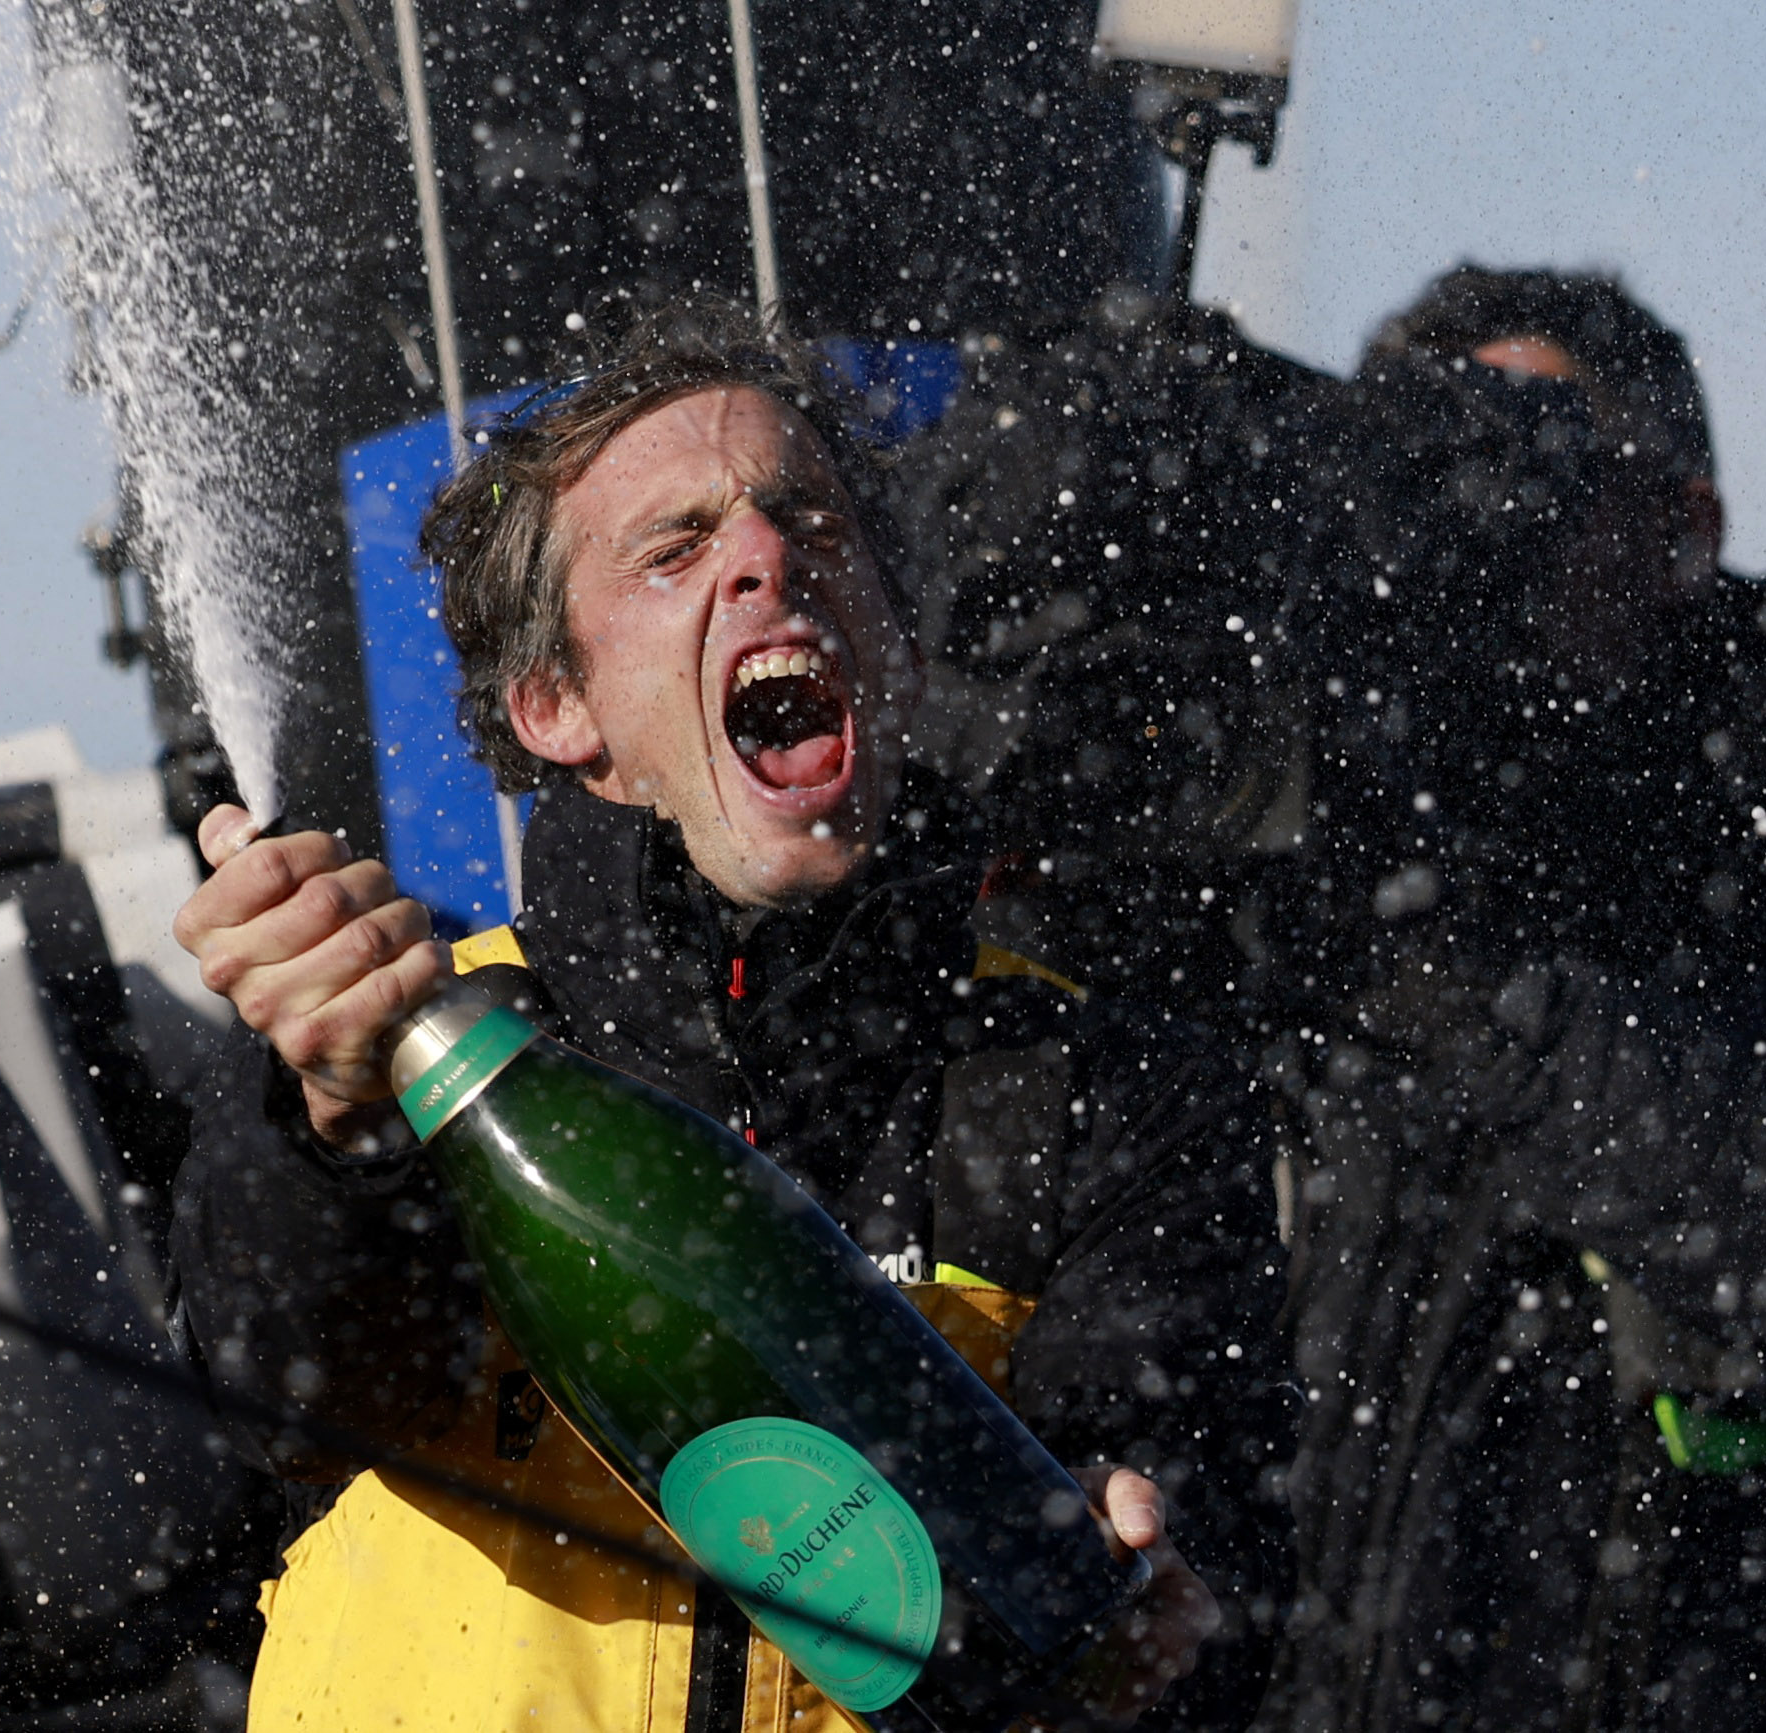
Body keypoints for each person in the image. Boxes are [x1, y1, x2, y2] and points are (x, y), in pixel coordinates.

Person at [165, 302, 1295, 1731]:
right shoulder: (419, 1049)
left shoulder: (1100, 1089)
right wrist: (329, 1129)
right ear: (555, 707)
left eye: (805, 518)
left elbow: (1201, 1557)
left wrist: (1142, 1562)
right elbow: (292, 1400)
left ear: (898, 644)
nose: (765, 558)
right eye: (673, 550)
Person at [1264, 266, 1766, 1733]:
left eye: (1536, 471)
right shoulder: (1318, 797)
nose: (1477, 532)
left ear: (1683, 527)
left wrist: (1476, 1002)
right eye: (1436, 466)